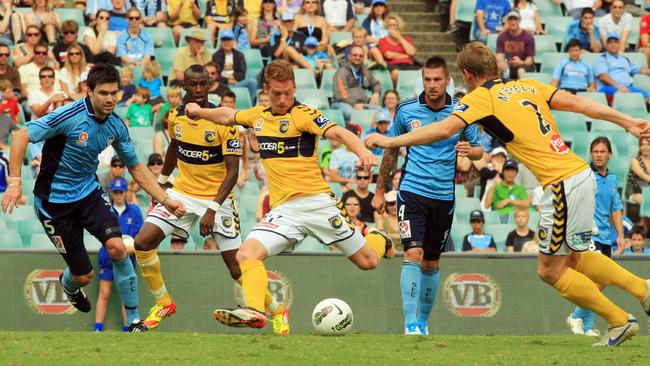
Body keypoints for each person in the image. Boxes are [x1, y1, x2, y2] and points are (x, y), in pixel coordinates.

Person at [365, 41, 650, 347]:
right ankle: (642, 290)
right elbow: (579, 104)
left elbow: (443, 129)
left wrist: (390, 141)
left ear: (466, 74)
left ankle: (620, 320)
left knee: (550, 271)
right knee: (577, 258)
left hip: (561, 184)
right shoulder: (526, 86)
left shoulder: (481, 97)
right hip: (580, 175)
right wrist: (627, 120)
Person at [185, 59, 393, 330]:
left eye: (288, 93)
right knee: (246, 254)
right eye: (276, 94)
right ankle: (255, 310)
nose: (283, 99)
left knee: (369, 262)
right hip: (284, 212)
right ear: (265, 91)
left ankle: (379, 238)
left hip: (319, 205)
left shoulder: (304, 115)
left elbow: (340, 132)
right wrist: (199, 112)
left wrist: (363, 152)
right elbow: (227, 115)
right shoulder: (258, 116)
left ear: (295, 87)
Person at [1, 64, 186, 332]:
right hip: (54, 205)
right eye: (103, 93)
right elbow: (21, 135)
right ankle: (70, 285)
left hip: (88, 193)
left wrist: (165, 199)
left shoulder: (116, 125)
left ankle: (134, 320)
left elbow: (135, 167)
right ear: (89, 91)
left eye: (114, 93)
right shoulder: (69, 115)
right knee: (84, 275)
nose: (109, 99)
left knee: (119, 248)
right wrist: (15, 183)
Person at [133, 64, 287, 334]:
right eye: (193, 84)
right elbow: (174, 147)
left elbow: (232, 171)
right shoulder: (175, 116)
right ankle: (164, 303)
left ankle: (277, 310)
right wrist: (161, 187)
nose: (199, 89)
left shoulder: (222, 120)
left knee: (236, 268)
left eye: (204, 84)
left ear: (209, 84)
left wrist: (212, 210)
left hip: (218, 200)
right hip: (182, 193)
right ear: (185, 87)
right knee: (142, 243)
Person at [371, 56, 483, 335]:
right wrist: (380, 189)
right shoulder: (407, 110)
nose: (432, 85)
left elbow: (480, 149)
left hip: (444, 196)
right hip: (412, 192)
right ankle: (410, 324)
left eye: (437, 80)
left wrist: (471, 150)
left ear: (447, 80)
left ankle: (422, 321)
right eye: (427, 80)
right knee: (413, 252)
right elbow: (391, 149)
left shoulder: (461, 111)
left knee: (431, 261)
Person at [566, 136, 626, 337]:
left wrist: (620, 235)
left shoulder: (612, 179)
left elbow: (616, 208)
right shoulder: (584, 176)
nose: (599, 155)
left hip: (606, 237)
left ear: (610, 154)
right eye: (595, 151)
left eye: (602, 151)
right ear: (591, 154)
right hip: (588, 234)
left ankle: (587, 325)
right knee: (596, 282)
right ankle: (575, 316)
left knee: (600, 283)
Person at [94, 177, 142, 332]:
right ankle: (98, 329)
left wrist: (128, 248)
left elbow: (140, 237)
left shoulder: (134, 211)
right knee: (104, 293)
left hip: (128, 257)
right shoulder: (106, 209)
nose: (119, 195)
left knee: (126, 295)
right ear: (111, 193)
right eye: (116, 192)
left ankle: (128, 328)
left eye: (121, 192)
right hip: (107, 256)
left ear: (126, 192)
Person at [332, 44, 382, 123]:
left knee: (379, 111)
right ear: (349, 56)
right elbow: (341, 95)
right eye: (355, 55)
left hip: (361, 104)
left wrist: (376, 93)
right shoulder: (342, 71)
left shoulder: (364, 71)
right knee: (351, 113)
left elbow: (376, 84)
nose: (357, 57)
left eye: (360, 56)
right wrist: (354, 104)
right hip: (342, 103)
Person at [594, 33, 650, 101]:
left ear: (619, 44)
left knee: (646, 95)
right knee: (622, 94)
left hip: (627, 87)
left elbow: (639, 70)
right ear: (606, 45)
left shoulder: (624, 59)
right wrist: (619, 86)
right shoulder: (602, 58)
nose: (613, 44)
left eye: (616, 42)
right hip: (607, 87)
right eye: (610, 42)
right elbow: (603, 77)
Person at [212, 29, 258, 103]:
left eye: (229, 40)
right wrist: (229, 80)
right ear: (221, 41)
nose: (227, 42)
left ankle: (251, 106)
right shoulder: (216, 56)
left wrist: (227, 77)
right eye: (224, 40)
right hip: (222, 84)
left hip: (237, 83)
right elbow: (216, 76)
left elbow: (242, 75)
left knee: (252, 82)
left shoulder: (239, 55)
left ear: (233, 41)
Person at [377, 15, 417, 86]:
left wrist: (399, 38)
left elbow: (411, 52)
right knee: (395, 73)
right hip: (393, 65)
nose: (392, 27)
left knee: (424, 72)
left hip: (408, 64)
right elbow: (389, 55)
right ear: (387, 27)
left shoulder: (407, 39)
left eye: (394, 25)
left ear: (399, 27)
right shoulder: (382, 40)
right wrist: (406, 56)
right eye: (390, 25)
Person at [496, 10, 535, 81]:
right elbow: (499, 56)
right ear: (507, 21)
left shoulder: (528, 37)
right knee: (500, 66)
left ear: (519, 20)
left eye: (515, 19)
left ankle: (520, 91)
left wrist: (520, 62)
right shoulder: (502, 37)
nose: (513, 22)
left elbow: (529, 60)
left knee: (521, 70)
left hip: (524, 65)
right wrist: (503, 62)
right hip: (508, 64)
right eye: (510, 19)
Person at [626, 138, 650, 205]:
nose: (645, 147)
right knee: (645, 199)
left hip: (647, 191)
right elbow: (643, 175)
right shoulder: (634, 160)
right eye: (642, 145)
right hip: (634, 191)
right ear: (639, 147)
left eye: (648, 144)